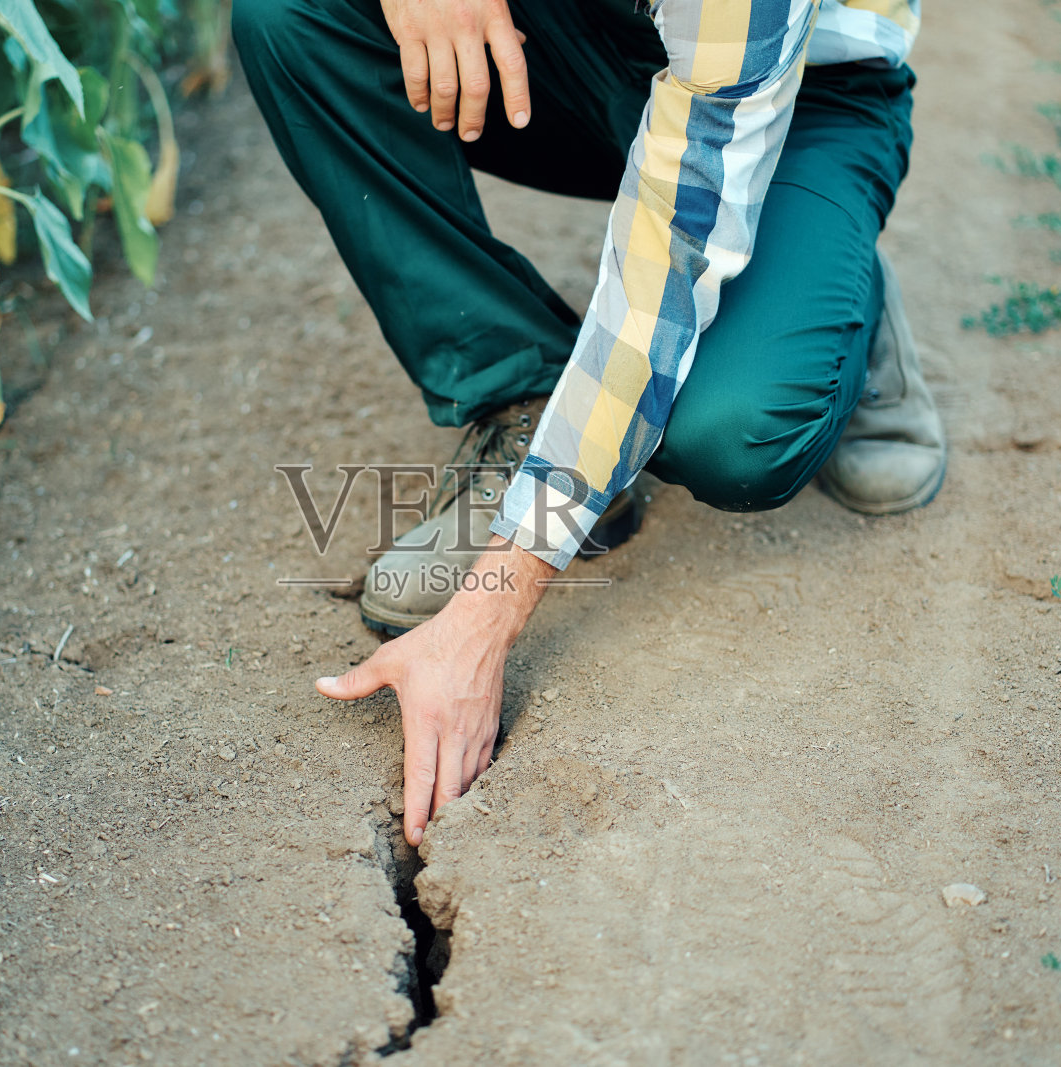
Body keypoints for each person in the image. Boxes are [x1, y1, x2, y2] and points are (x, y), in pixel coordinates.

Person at [234, 0, 943, 848]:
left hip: (801, 95)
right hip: (576, 44)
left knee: (732, 432)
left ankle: (826, 280)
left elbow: (666, 270)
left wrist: (478, 623)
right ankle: (524, 393)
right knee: (290, 17)